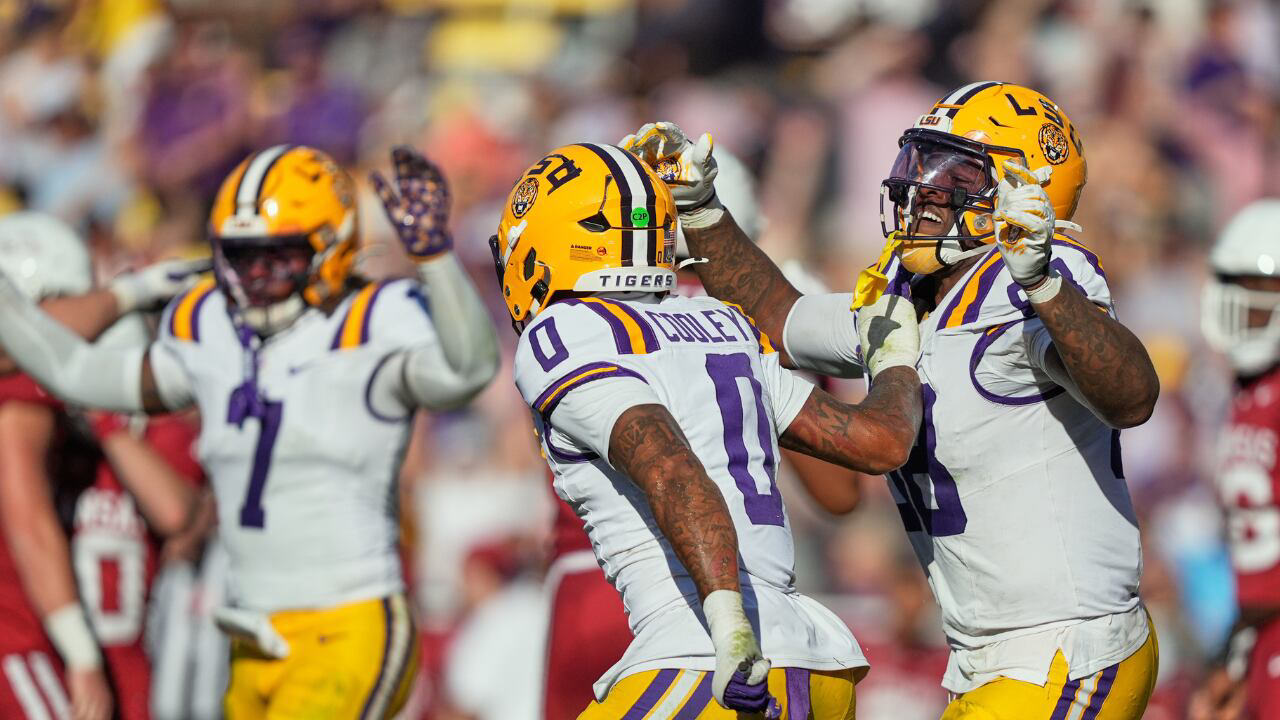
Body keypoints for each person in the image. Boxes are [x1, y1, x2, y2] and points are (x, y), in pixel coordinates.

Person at [626, 80, 1162, 719]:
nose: (924, 190)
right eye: (922, 165)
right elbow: (782, 318)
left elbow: (1132, 397)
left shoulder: (1034, 278)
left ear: (1025, 192)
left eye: (957, 175)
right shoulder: (912, 288)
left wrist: (1043, 282)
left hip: (1069, 647)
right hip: (988, 659)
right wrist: (700, 209)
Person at [0, 144, 500, 718]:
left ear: (332, 245)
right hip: (252, 636)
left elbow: (468, 371)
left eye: (277, 255)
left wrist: (436, 260)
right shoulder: (213, 325)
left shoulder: (370, 319)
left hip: (345, 621)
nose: (255, 276)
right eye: (241, 256)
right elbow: (76, 372)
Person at [493, 142, 923, 717]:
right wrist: (894, 359)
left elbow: (673, 469)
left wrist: (728, 626)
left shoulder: (565, 330)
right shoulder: (722, 320)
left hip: (703, 653)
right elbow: (880, 443)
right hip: (817, 667)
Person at [0, 211, 205, 720]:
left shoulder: (127, 439)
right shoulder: (22, 398)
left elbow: (180, 514)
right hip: (24, 644)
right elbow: (28, 523)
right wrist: (131, 293)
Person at [1191, 199, 1280, 720]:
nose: (1245, 307)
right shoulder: (1249, 394)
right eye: (1240, 288)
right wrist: (1235, 656)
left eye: (1263, 292)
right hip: (1263, 640)